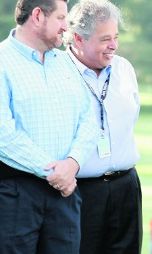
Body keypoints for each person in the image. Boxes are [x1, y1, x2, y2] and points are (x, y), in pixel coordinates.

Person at [0, 0, 98, 253]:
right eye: (61, 18)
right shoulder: (2, 61)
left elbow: (89, 118)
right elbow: (4, 136)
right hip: (15, 195)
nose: (66, 26)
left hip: (65, 195)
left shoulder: (66, 63)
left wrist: (72, 163)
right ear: (37, 16)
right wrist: (55, 173)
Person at [63, 0, 142, 253]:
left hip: (126, 187)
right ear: (78, 38)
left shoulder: (124, 68)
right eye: (105, 38)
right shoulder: (57, 72)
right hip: (79, 192)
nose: (114, 46)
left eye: (116, 37)